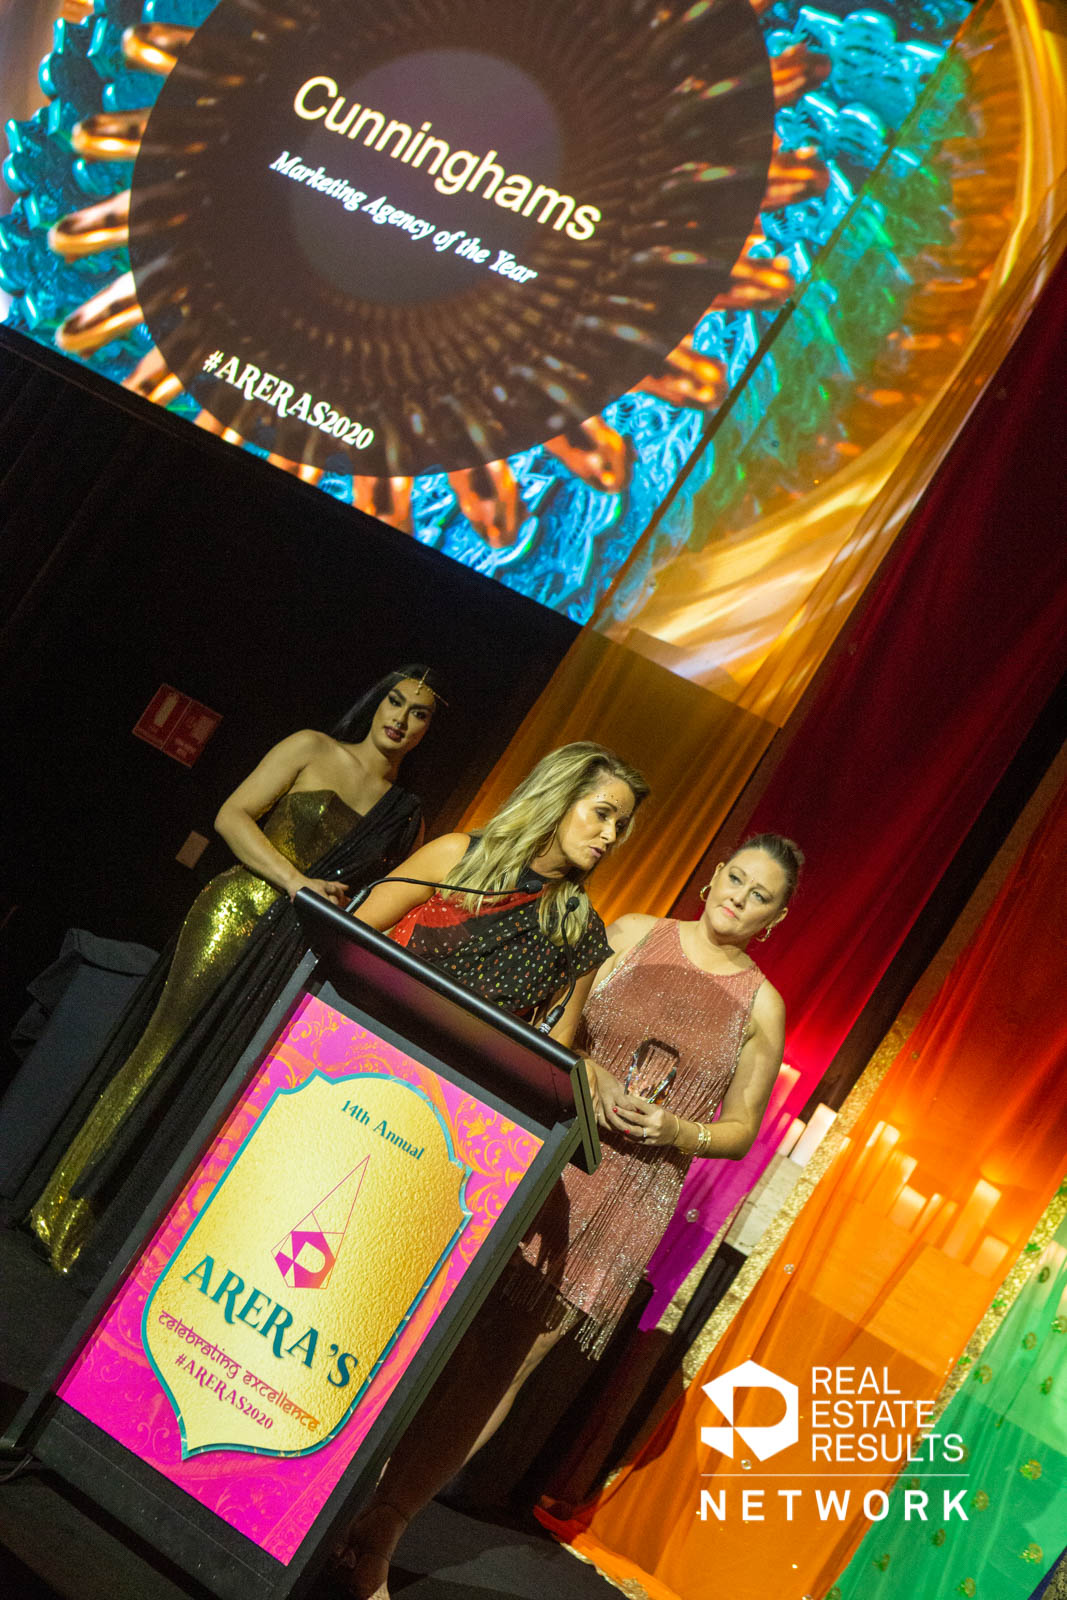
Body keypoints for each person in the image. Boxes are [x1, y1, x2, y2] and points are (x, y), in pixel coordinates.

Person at [337, 832, 802, 1600]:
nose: (739, 899)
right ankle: (334, 1485)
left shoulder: (761, 1006)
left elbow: (742, 1127)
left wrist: (679, 1130)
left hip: (629, 1194)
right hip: (548, 1151)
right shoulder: (631, 934)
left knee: (503, 1363)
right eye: (736, 879)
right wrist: (586, 1073)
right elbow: (555, 1022)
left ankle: (385, 1525)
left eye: (760, 897)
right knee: (430, 1320)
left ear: (773, 920)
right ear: (714, 875)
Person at [26, 666, 444, 1278]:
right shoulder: (312, 747)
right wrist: (297, 882)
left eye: (418, 713)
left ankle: (120, 1237)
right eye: (395, 701)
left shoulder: (407, 817)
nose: (401, 719)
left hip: (295, 952)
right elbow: (232, 816)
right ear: (376, 702)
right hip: (237, 910)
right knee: (162, 1050)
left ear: (429, 730)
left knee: (216, 1079)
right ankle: (61, 1209)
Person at [354, 741, 652, 1041]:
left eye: (620, 825)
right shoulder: (456, 856)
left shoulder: (578, 928)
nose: (610, 835)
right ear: (559, 798)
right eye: (602, 814)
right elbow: (351, 931)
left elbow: (554, 1041)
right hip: (362, 1023)